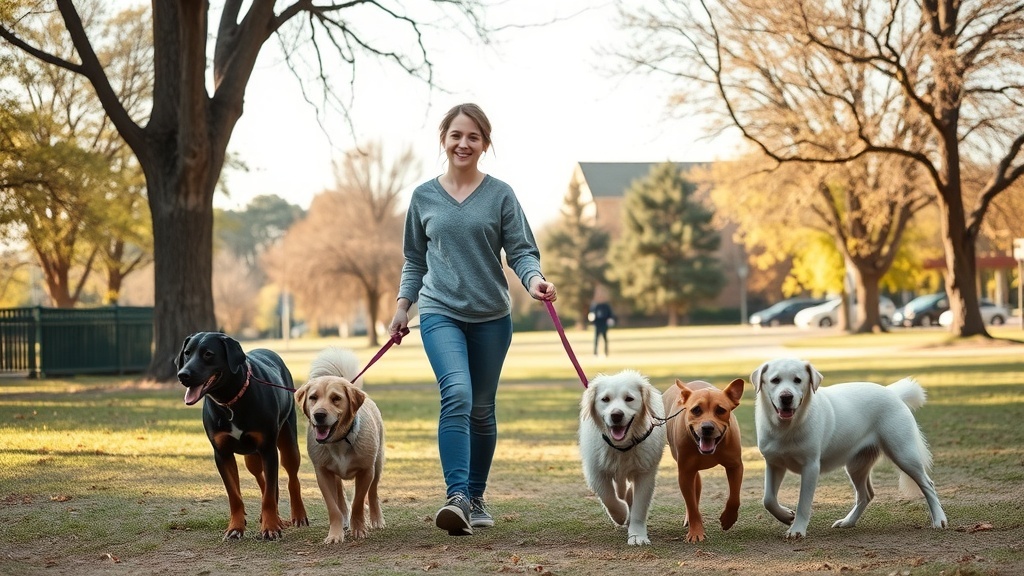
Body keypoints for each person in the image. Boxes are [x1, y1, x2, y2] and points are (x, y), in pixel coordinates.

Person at [388, 103, 557, 536]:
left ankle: (476, 495)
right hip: (440, 312)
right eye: (456, 135)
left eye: (474, 137)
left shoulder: (500, 194)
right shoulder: (423, 196)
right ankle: (457, 496)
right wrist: (403, 307)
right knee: (457, 394)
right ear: (443, 138)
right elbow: (414, 259)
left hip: (491, 318)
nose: (464, 143)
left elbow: (520, 250)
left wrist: (534, 280)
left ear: (485, 143)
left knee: (482, 409)